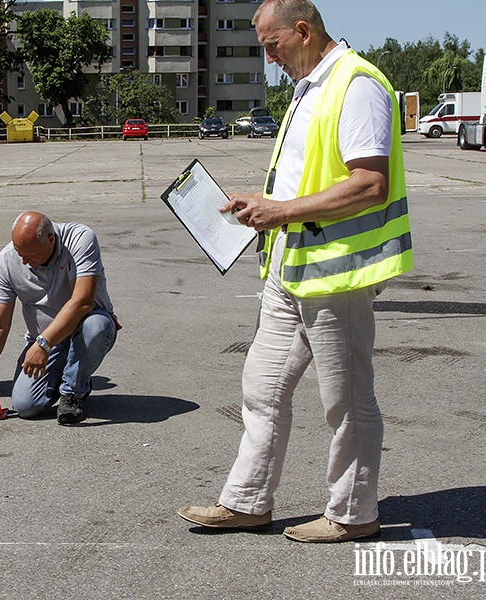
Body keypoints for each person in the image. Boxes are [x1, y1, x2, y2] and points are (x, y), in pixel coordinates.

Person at [178, 0, 412, 543]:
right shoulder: (310, 87)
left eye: (271, 45)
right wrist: (262, 204)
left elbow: (369, 183)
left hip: (338, 274)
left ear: (302, 31)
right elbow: (307, 181)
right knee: (262, 387)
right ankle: (247, 502)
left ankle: (354, 513)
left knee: (347, 399)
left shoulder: (356, 84)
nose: (268, 59)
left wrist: (281, 212)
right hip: (292, 266)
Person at [0, 212, 119, 425]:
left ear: (51, 239)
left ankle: (73, 392)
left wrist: (43, 344)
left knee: (98, 326)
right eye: (19, 252)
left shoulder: (80, 239)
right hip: (45, 339)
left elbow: (83, 302)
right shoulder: (7, 260)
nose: (24, 261)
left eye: (30, 255)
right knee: (25, 406)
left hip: (81, 328)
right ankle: (67, 370)